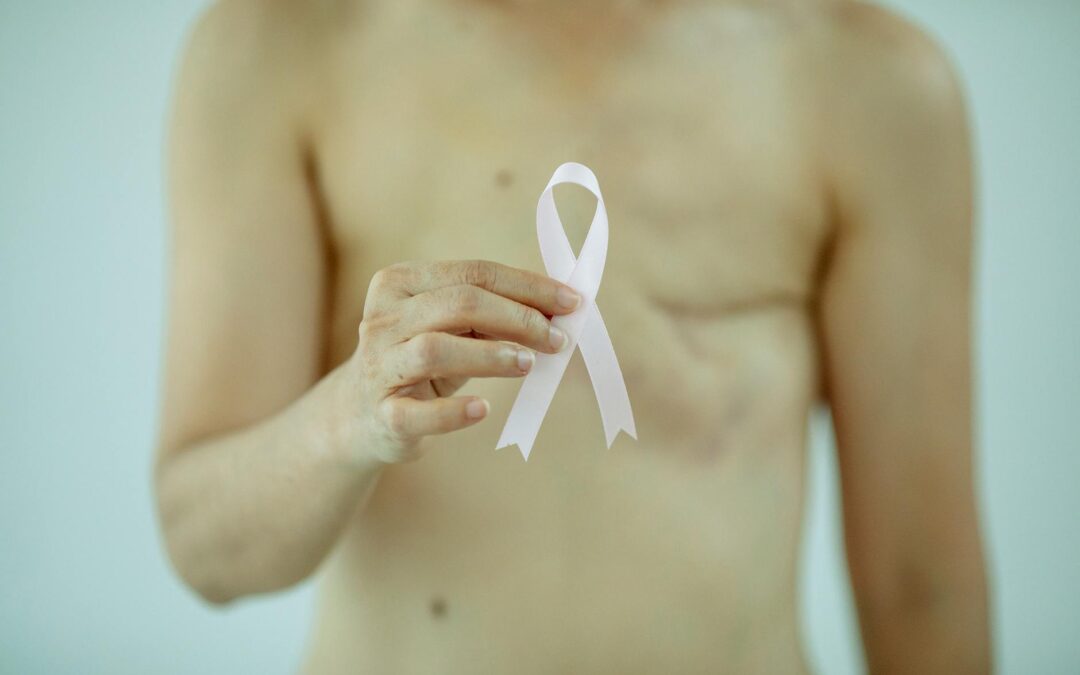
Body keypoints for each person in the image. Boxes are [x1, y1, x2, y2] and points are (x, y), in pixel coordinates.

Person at [154, 0, 991, 672]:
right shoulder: (272, 46)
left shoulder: (872, 83)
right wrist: (347, 416)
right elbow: (204, 547)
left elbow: (922, 589)